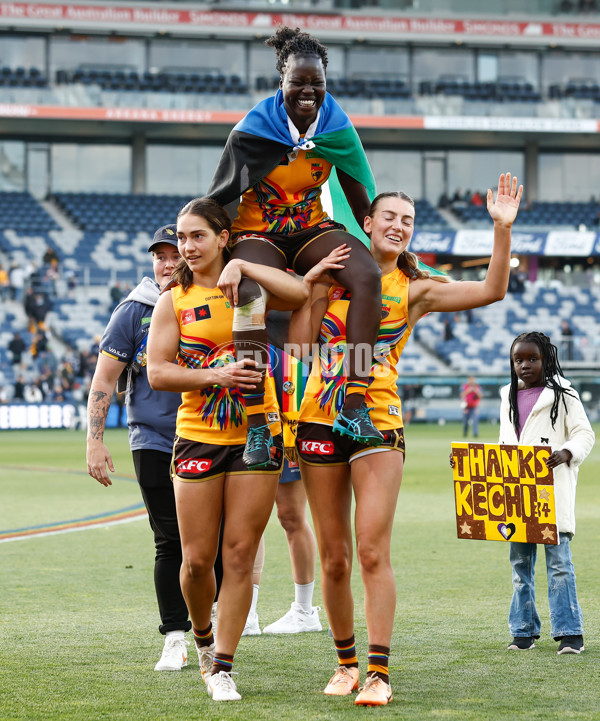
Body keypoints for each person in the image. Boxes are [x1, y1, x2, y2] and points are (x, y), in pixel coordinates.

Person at [289, 172, 523, 706]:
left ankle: (378, 673)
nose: (398, 227)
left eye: (408, 221)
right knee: (333, 556)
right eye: (389, 217)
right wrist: (314, 290)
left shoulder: (415, 288)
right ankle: (344, 663)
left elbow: (492, 289)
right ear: (365, 224)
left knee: (372, 550)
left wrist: (501, 230)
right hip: (318, 422)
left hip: (378, 423)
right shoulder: (333, 277)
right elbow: (300, 352)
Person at [146, 197, 309, 702]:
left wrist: (243, 264)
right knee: (197, 562)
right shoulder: (172, 300)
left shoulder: (252, 286)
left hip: (258, 438)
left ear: (222, 237)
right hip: (198, 436)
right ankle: (201, 640)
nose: (187, 248)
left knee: (238, 556)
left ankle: (222, 665)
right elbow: (157, 371)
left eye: (198, 236)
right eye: (182, 238)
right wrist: (215, 374)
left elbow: (303, 292)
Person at [207, 25, 385, 471]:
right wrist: (205, 257)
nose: (308, 91)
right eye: (298, 82)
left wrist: (381, 245)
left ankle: (355, 402)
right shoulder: (253, 129)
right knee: (249, 293)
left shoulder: (337, 127)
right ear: (281, 81)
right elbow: (221, 198)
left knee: (366, 277)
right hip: (256, 233)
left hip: (310, 230)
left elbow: (358, 190)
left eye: (316, 83)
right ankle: (257, 424)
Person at [86, 224, 193, 672]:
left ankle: (215, 630)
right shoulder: (133, 310)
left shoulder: (214, 300)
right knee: (169, 540)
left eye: (175, 255)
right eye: (159, 256)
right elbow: (105, 379)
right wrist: (94, 441)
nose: (167, 264)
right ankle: (174, 635)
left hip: (207, 434)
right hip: (151, 438)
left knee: (216, 543)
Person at [500, 332, 594, 655]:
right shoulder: (507, 397)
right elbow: (504, 445)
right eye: (518, 360)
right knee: (519, 565)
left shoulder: (563, 394)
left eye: (532, 359)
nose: (524, 365)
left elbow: (584, 433)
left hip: (551, 494)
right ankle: (523, 631)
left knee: (559, 565)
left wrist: (568, 452)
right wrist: (470, 464)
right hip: (517, 497)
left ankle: (570, 634)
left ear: (546, 360)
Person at [261, 344, 322, 635]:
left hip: (289, 379)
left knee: (290, 516)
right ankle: (246, 610)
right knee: (244, 518)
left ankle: (304, 610)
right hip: (246, 379)